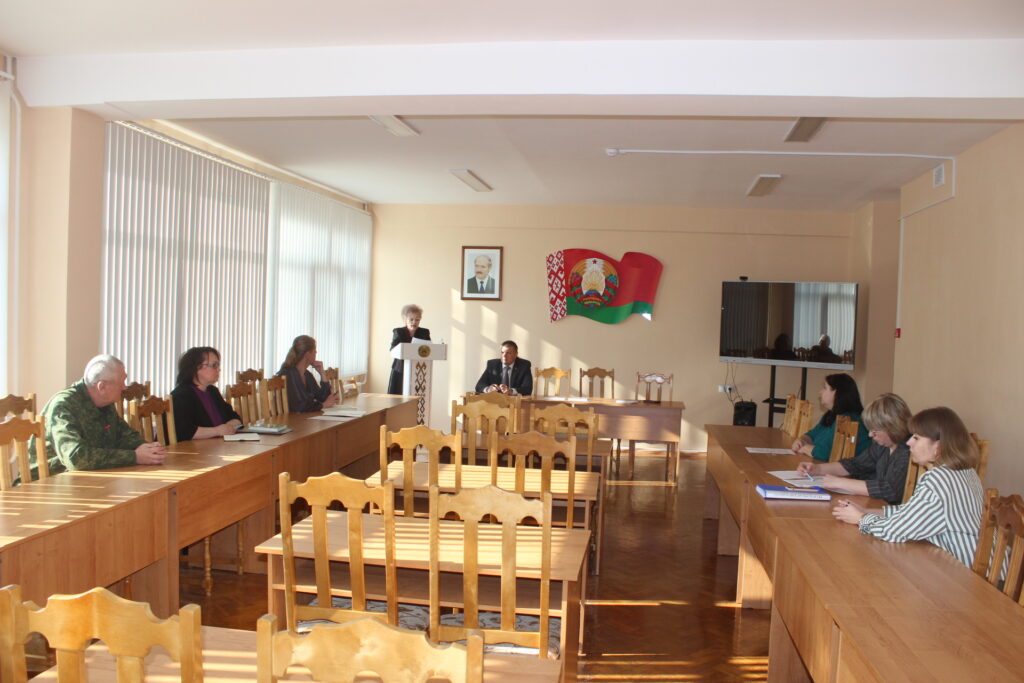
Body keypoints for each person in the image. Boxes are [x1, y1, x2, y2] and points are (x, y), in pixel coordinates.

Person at [832, 406, 984, 568]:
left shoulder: (938, 479)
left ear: (938, 446)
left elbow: (895, 531)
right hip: (968, 561)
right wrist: (868, 511)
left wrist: (860, 519)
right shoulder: (965, 472)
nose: (909, 442)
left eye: (916, 438)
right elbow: (913, 512)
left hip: (960, 569)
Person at [29, 354, 166, 476]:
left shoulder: (104, 402)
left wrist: (149, 450)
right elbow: (77, 458)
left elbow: (124, 435)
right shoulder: (63, 406)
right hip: (51, 481)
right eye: (121, 382)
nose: (124, 387)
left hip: (88, 477)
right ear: (102, 387)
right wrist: (134, 457)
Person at [797, 393, 911, 504]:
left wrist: (841, 483)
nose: (870, 435)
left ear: (892, 427)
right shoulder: (883, 446)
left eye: (875, 430)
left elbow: (890, 490)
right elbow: (856, 464)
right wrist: (817, 469)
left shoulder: (907, 451)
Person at [791, 373, 870, 461]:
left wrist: (806, 448)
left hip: (850, 469)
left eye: (825, 388)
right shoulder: (831, 415)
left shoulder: (848, 420)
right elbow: (812, 435)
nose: (820, 392)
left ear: (837, 392)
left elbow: (827, 454)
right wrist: (801, 440)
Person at [171, 346, 243, 440]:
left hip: (217, 445)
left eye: (218, 365)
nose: (219, 369)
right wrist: (217, 431)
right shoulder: (181, 396)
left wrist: (229, 426)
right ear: (196, 367)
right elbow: (183, 431)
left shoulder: (212, 391)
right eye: (214, 365)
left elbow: (235, 417)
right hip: (193, 448)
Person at [277, 335, 339, 412]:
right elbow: (299, 406)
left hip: (304, 417)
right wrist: (323, 405)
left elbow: (322, 398)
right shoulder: (288, 373)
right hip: (292, 418)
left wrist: (322, 373)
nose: (316, 352)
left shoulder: (307, 374)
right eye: (314, 350)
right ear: (307, 354)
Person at [387, 304, 431, 394]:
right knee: (397, 397)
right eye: (411, 319)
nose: (414, 322)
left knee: (416, 396)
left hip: (419, 370)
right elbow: (393, 350)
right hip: (400, 370)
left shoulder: (424, 332)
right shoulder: (398, 332)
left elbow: (429, 349)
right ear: (405, 319)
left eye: (417, 319)